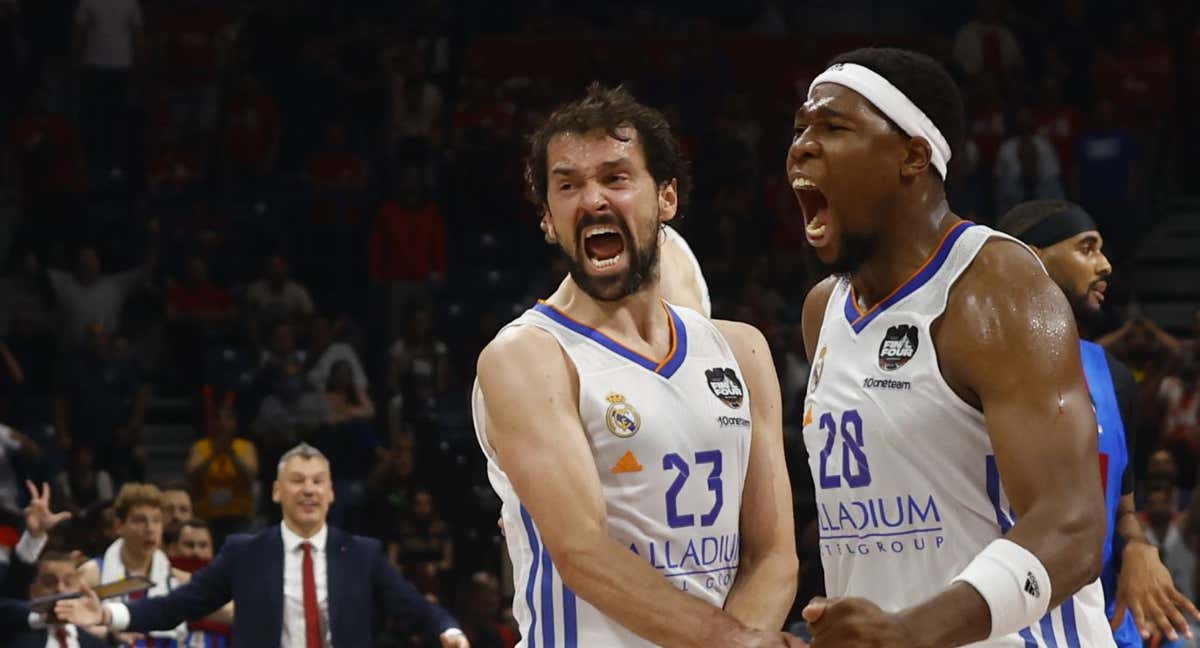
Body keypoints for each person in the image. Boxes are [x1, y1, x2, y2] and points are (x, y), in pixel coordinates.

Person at [791, 48, 1115, 646]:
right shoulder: (824, 311)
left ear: (913, 154)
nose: (802, 147)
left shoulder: (994, 287)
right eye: (801, 129)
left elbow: (1073, 530)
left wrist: (910, 630)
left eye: (833, 127)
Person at [473, 84, 799, 646]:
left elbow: (772, 556)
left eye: (615, 178)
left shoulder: (741, 351)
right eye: (568, 186)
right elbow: (583, 554)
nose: (593, 200)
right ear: (548, 220)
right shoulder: (526, 357)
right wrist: (733, 642)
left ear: (666, 199)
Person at [999, 199, 1200, 645]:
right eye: (1086, 248)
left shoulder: (1113, 376)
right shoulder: (969, 368)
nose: (1105, 265)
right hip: (1003, 620)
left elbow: (1122, 508)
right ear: (1030, 257)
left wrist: (1139, 548)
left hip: (1099, 621)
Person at [57, 443, 469, 647]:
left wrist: (447, 630)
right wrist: (110, 613)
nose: (308, 490)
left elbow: (413, 606)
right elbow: (174, 607)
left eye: (317, 481)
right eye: (297, 480)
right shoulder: (244, 553)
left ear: (331, 493)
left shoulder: (363, 554)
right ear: (275, 492)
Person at [77, 483, 227, 647]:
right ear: (119, 526)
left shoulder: (176, 578)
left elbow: (230, 610)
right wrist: (107, 633)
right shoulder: (92, 574)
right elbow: (66, 621)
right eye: (140, 520)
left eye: (156, 520)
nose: (150, 529)